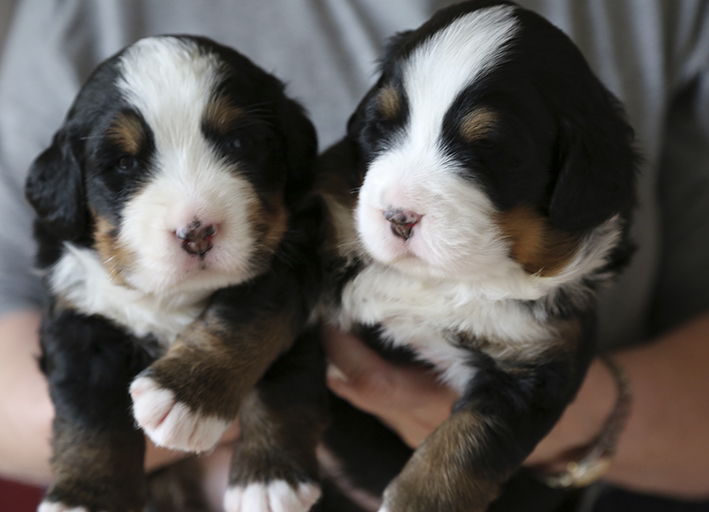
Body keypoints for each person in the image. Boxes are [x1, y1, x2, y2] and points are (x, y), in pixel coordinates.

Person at [0, 0, 707, 510]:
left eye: (484, 152)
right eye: (383, 132)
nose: (399, 197)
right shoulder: (66, 21)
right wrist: (226, 387)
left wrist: (581, 428)